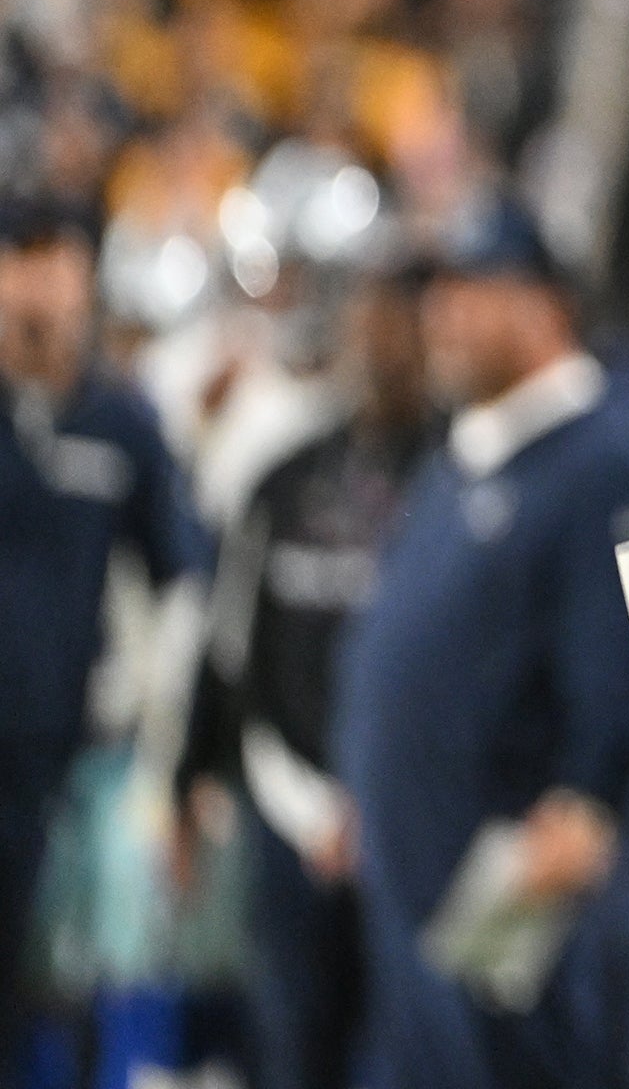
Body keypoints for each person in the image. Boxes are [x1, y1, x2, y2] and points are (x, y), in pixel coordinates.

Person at [333, 196, 629, 1089]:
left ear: (543, 303)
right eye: (436, 293)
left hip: (517, 893)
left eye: (470, 289)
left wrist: (589, 797)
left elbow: (626, 665)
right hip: (422, 879)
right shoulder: (466, 454)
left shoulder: (604, 454)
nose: (440, 315)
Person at [179, 257, 434, 1089]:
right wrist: (194, 778)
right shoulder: (282, 480)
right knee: (292, 1049)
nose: (379, 345)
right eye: (366, 322)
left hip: (419, 828)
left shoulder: (464, 482)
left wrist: (384, 806)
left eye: (399, 324)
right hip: (293, 817)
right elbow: (231, 651)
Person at [0, 196, 210, 1076]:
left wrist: (156, 747)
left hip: (64, 767)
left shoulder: (119, 423)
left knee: (64, 998)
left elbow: (182, 579)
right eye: (20, 260)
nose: (37, 288)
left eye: (57, 262)